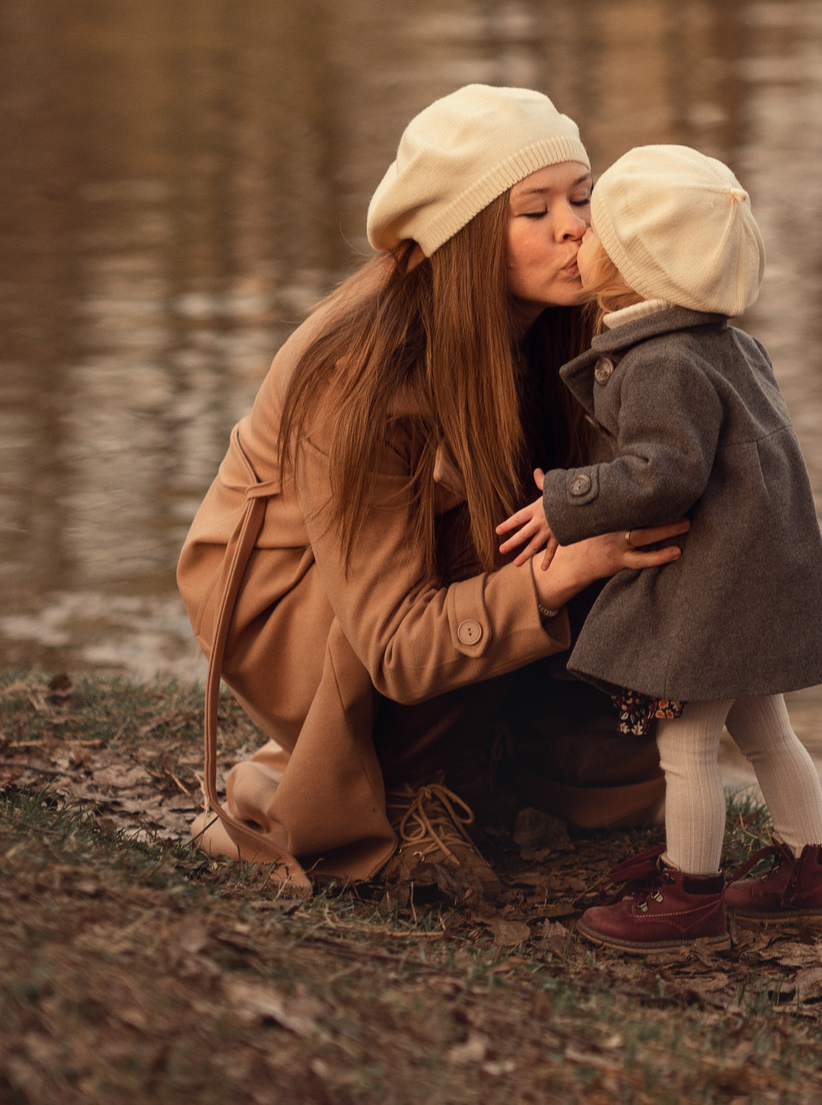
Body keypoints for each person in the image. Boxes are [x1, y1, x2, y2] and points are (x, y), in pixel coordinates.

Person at [176, 86, 689, 895]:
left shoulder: (558, 325)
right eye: (535, 210)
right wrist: (566, 567)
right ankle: (374, 778)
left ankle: (502, 755)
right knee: (528, 533)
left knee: (631, 505)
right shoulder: (359, 379)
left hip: (407, 586)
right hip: (289, 611)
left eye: (582, 196)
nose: (574, 227)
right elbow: (392, 642)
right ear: (462, 234)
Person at [494, 144, 822, 950]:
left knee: (685, 743)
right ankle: (815, 864)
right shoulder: (727, 343)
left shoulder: (662, 359)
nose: (576, 234)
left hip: (713, 592)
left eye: (597, 228)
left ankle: (691, 891)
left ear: (639, 263)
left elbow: (663, 474)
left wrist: (567, 501)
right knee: (766, 730)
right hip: (757, 580)